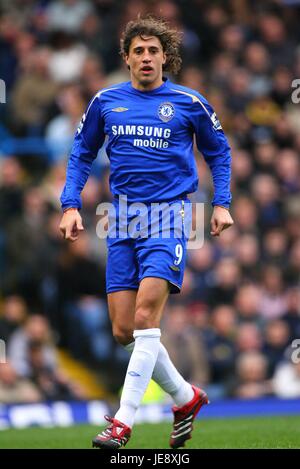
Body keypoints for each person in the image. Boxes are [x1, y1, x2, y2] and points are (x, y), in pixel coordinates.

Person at [59, 16, 233, 449]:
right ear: (127, 58)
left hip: (171, 215)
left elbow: (220, 151)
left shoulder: (190, 102)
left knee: (144, 320)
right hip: (120, 219)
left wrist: (223, 203)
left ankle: (123, 421)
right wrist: (69, 205)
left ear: (165, 57)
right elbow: (81, 152)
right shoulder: (106, 101)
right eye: (138, 50)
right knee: (123, 331)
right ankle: (185, 396)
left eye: (153, 50)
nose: (146, 57)